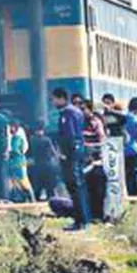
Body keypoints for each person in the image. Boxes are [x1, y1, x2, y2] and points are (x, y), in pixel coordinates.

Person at [53, 88, 90, 230]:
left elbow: (69, 135)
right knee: (79, 186)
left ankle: (80, 221)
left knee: (74, 187)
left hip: (71, 155)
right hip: (78, 153)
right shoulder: (77, 111)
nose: (54, 102)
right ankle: (83, 219)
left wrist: (64, 154)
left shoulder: (68, 113)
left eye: (55, 99)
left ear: (61, 98)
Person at [29, 125, 62, 200]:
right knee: (48, 183)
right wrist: (58, 156)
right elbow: (52, 151)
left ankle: (37, 197)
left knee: (38, 183)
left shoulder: (32, 139)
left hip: (38, 163)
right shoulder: (46, 140)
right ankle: (50, 197)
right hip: (46, 163)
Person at [120, 98, 137, 196]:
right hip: (134, 150)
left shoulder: (123, 117)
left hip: (124, 150)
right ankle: (135, 193)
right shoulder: (135, 119)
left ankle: (129, 192)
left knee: (127, 174)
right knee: (135, 173)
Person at [7, 121, 35, 202]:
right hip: (14, 162)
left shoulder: (17, 138)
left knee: (23, 181)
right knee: (13, 182)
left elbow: (16, 150)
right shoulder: (13, 137)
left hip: (18, 161)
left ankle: (31, 199)